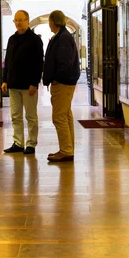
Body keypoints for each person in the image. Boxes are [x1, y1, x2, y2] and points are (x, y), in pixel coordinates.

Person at [2, 10, 44, 154]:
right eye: (16, 20)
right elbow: (7, 61)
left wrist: (34, 82)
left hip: (28, 86)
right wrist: (4, 80)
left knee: (31, 116)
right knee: (15, 116)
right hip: (13, 84)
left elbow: (39, 63)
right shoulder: (11, 39)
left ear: (27, 21)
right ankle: (18, 143)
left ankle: (31, 144)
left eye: (21, 20)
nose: (18, 23)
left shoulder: (35, 40)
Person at [43, 10, 80, 162]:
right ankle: (68, 148)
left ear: (54, 21)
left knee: (59, 116)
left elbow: (64, 63)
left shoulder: (63, 38)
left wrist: (56, 79)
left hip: (62, 84)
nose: (49, 24)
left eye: (49, 21)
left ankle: (66, 150)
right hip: (64, 82)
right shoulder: (62, 36)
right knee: (65, 115)